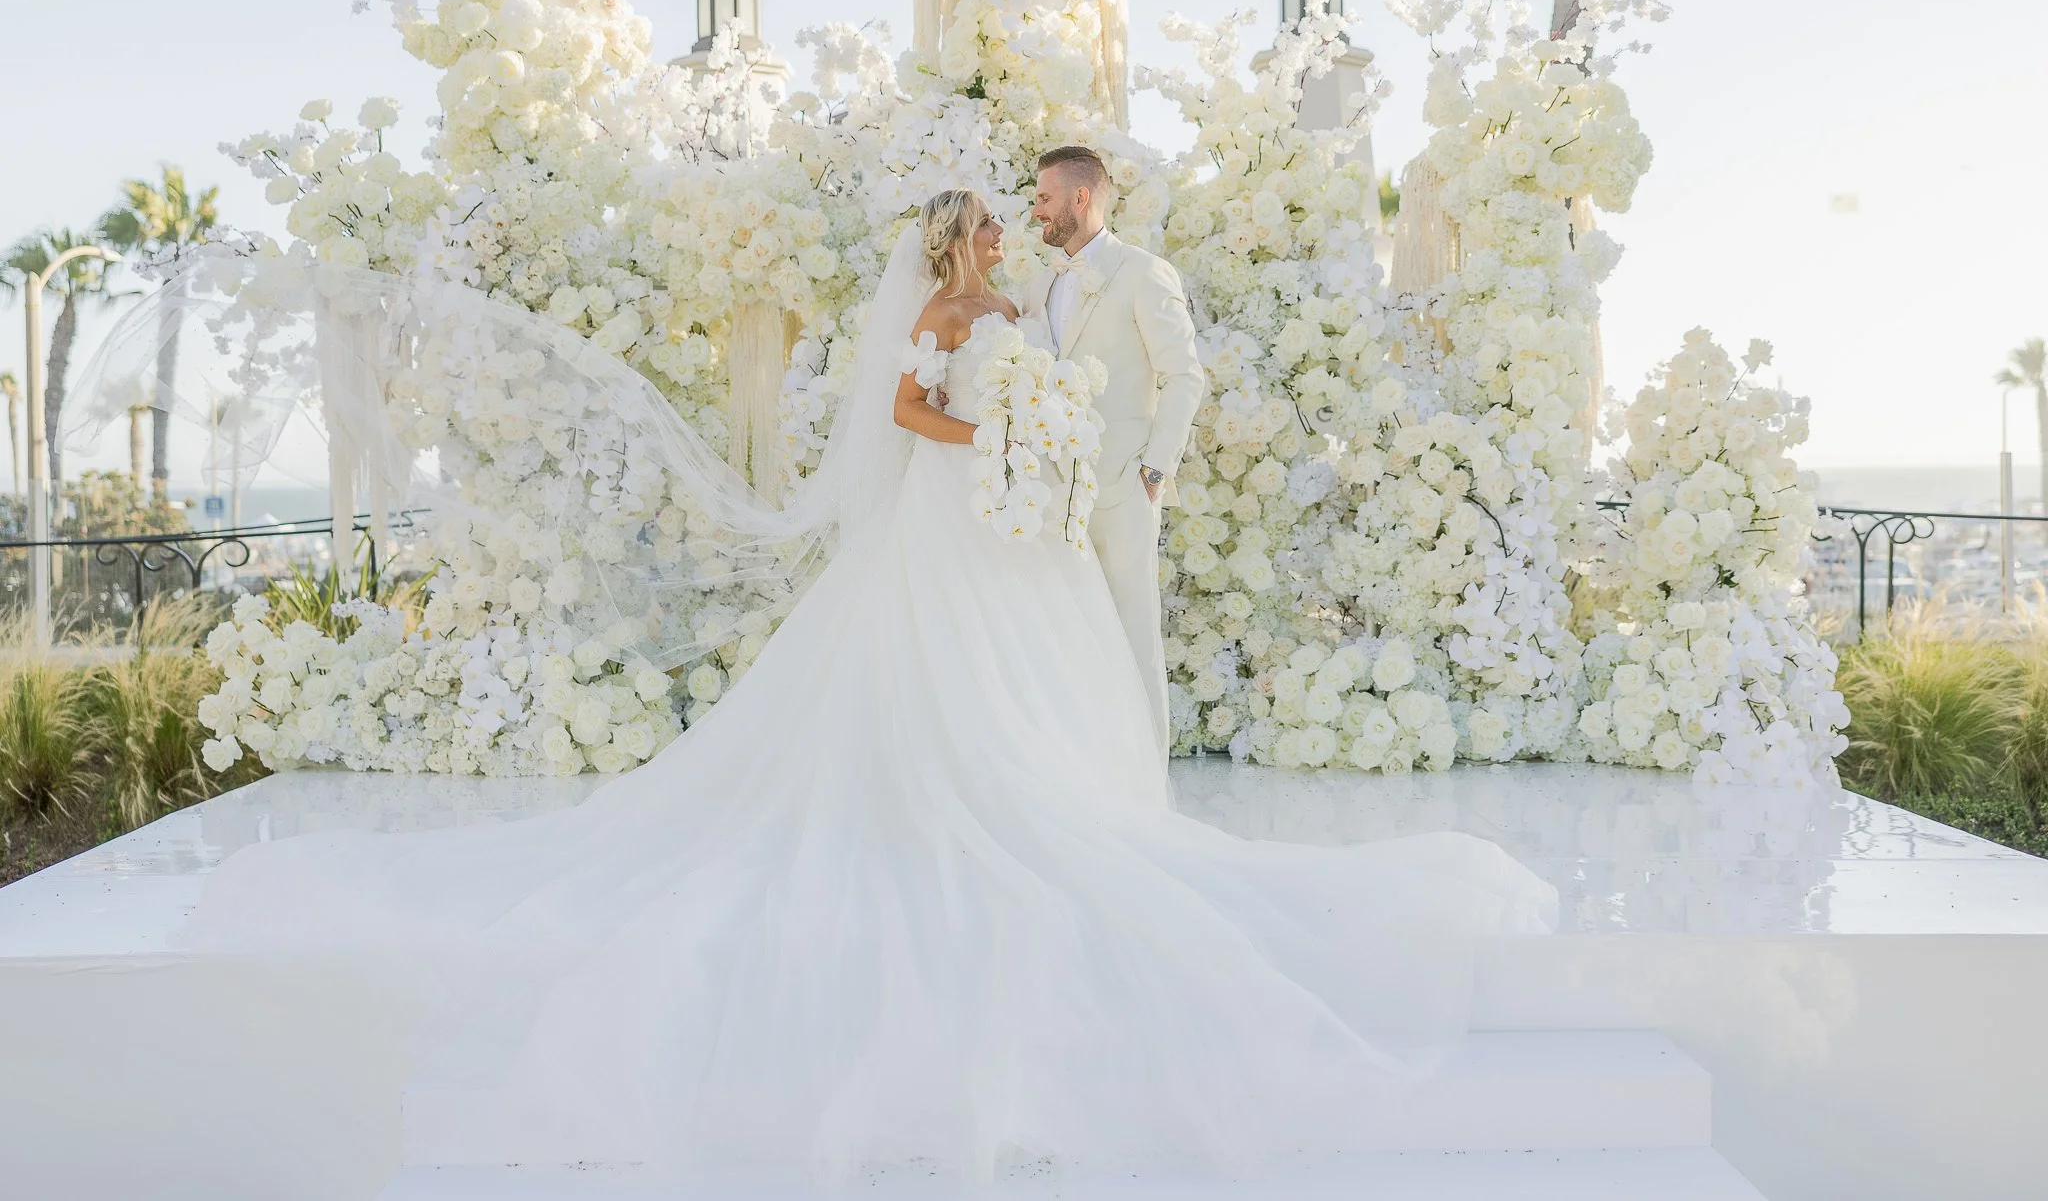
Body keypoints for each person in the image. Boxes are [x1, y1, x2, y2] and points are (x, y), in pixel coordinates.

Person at [183, 190, 1556, 1186]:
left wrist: (1037, 428)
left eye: (1011, 225)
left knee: (1040, 643)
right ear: (957, 245)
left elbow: (1042, 389)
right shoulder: (950, 312)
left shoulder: (1009, 307)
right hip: (954, 504)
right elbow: (908, 411)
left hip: (1013, 509)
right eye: (991, 229)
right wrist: (991, 425)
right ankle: (970, 783)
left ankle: (1065, 776)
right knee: (939, 650)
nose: (1006, 238)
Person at [1020, 147, 1206, 758]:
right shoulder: (1040, 282)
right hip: (1051, 492)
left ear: (1081, 198)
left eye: (1044, 197)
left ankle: (1145, 776)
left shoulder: (1144, 272)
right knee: (1063, 632)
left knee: (1132, 632)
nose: (1035, 209)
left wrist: (1155, 469)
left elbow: (1184, 376)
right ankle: (1083, 767)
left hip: (1124, 483)